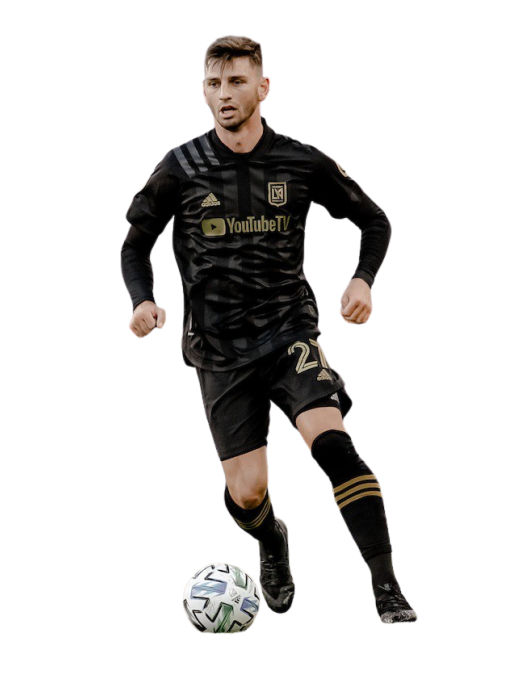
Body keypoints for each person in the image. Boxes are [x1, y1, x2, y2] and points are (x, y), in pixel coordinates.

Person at [121, 34, 417, 625]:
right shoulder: (179, 166)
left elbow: (374, 220)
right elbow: (134, 244)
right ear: (202, 91)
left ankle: (387, 589)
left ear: (264, 87)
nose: (224, 94)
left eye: (236, 81)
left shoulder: (301, 162)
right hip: (217, 348)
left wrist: (362, 280)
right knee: (247, 494)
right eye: (214, 83)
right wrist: (142, 300)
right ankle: (272, 541)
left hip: (289, 329)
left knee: (333, 444)